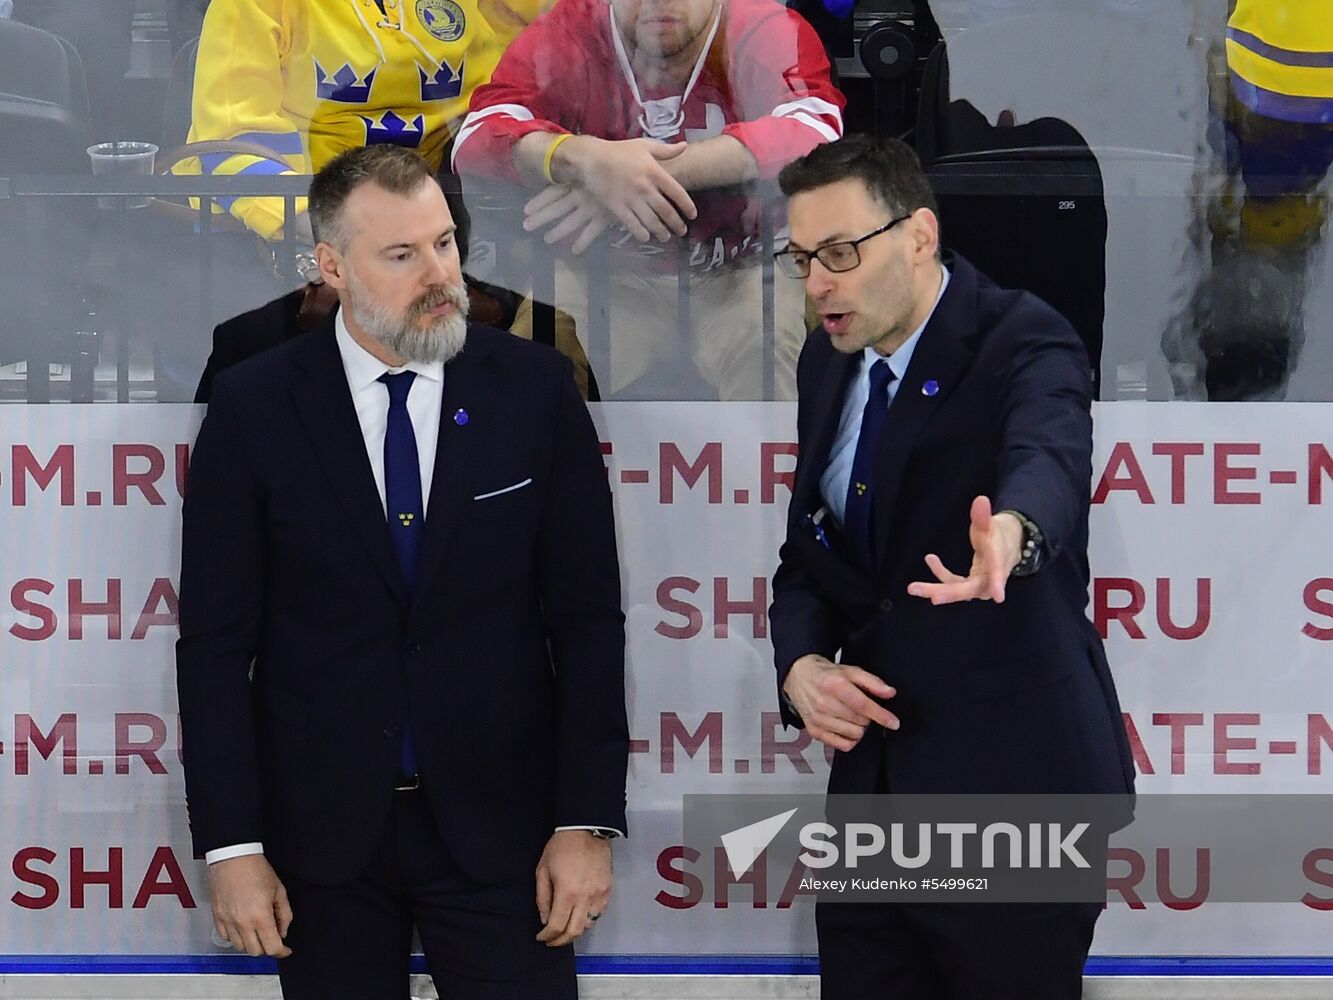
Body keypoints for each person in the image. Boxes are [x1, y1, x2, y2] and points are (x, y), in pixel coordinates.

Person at [176, 145, 628, 999]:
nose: (440, 274)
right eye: (402, 254)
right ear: (331, 266)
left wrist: (585, 821)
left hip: (506, 835)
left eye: (445, 243)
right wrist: (233, 847)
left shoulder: (535, 390)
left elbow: (587, 625)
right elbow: (214, 647)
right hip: (320, 841)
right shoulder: (252, 404)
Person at [768, 135, 1134, 999]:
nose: (816, 283)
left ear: (919, 236)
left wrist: (1012, 532)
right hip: (873, 801)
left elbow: (1047, 455)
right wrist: (801, 666)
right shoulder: (826, 361)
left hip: (1014, 789)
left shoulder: (1024, 337)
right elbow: (809, 559)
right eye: (801, 259)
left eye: (839, 253)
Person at [451, 0, 845, 399]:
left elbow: (816, 129)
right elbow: (475, 137)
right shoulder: (570, 29)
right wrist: (581, 159)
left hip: (745, 267)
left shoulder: (760, 26)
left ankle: (769, 443)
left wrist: (634, 178)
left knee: (766, 343)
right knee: (535, 356)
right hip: (607, 273)